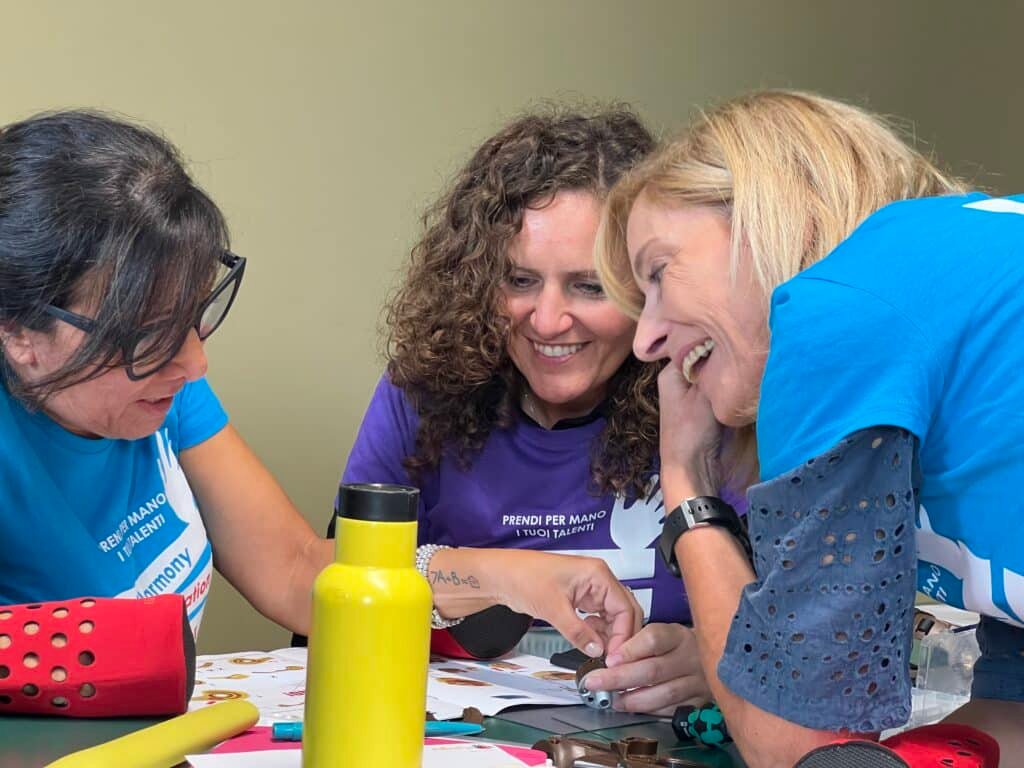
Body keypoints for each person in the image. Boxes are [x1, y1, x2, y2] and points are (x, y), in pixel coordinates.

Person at [0, 110, 639, 658]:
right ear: (18, 331)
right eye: (148, 336)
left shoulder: (163, 391)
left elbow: (298, 573)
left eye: (193, 318)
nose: (194, 364)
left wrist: (509, 578)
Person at [592, 88, 1024, 765]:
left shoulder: (839, 307)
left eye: (658, 273)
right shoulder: (963, 298)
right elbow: (1010, 720)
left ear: (764, 212)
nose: (644, 341)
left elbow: (798, 747)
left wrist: (685, 481)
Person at [339, 107, 746, 714]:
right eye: (520, 281)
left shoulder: (714, 395)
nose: (549, 321)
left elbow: (797, 630)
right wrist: (498, 575)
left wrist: (716, 662)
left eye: (590, 286)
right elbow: (341, 581)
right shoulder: (423, 389)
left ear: (648, 289)